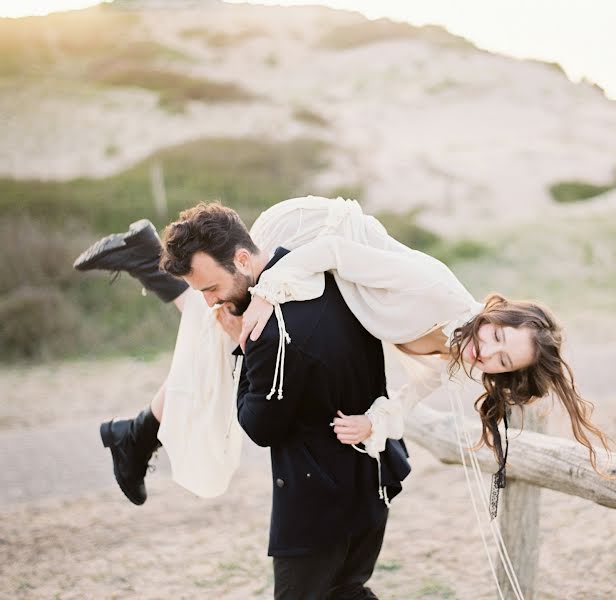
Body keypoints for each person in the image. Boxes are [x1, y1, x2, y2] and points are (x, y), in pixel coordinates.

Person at [74, 196, 613, 508]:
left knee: (219, 334)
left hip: (333, 279)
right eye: (496, 336)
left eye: (499, 362)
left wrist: (374, 424)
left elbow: (407, 398)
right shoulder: (435, 288)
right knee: (227, 329)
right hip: (318, 238)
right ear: (498, 312)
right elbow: (332, 251)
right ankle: (138, 428)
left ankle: (138, 427)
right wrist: (267, 291)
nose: (485, 352)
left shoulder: (455, 360)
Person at [157, 203, 410, 598]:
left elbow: (260, 427)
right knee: (347, 591)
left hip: (318, 505)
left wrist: (237, 342)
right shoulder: (325, 274)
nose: (209, 302)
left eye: (210, 288)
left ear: (242, 259)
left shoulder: (268, 332)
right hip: (371, 482)